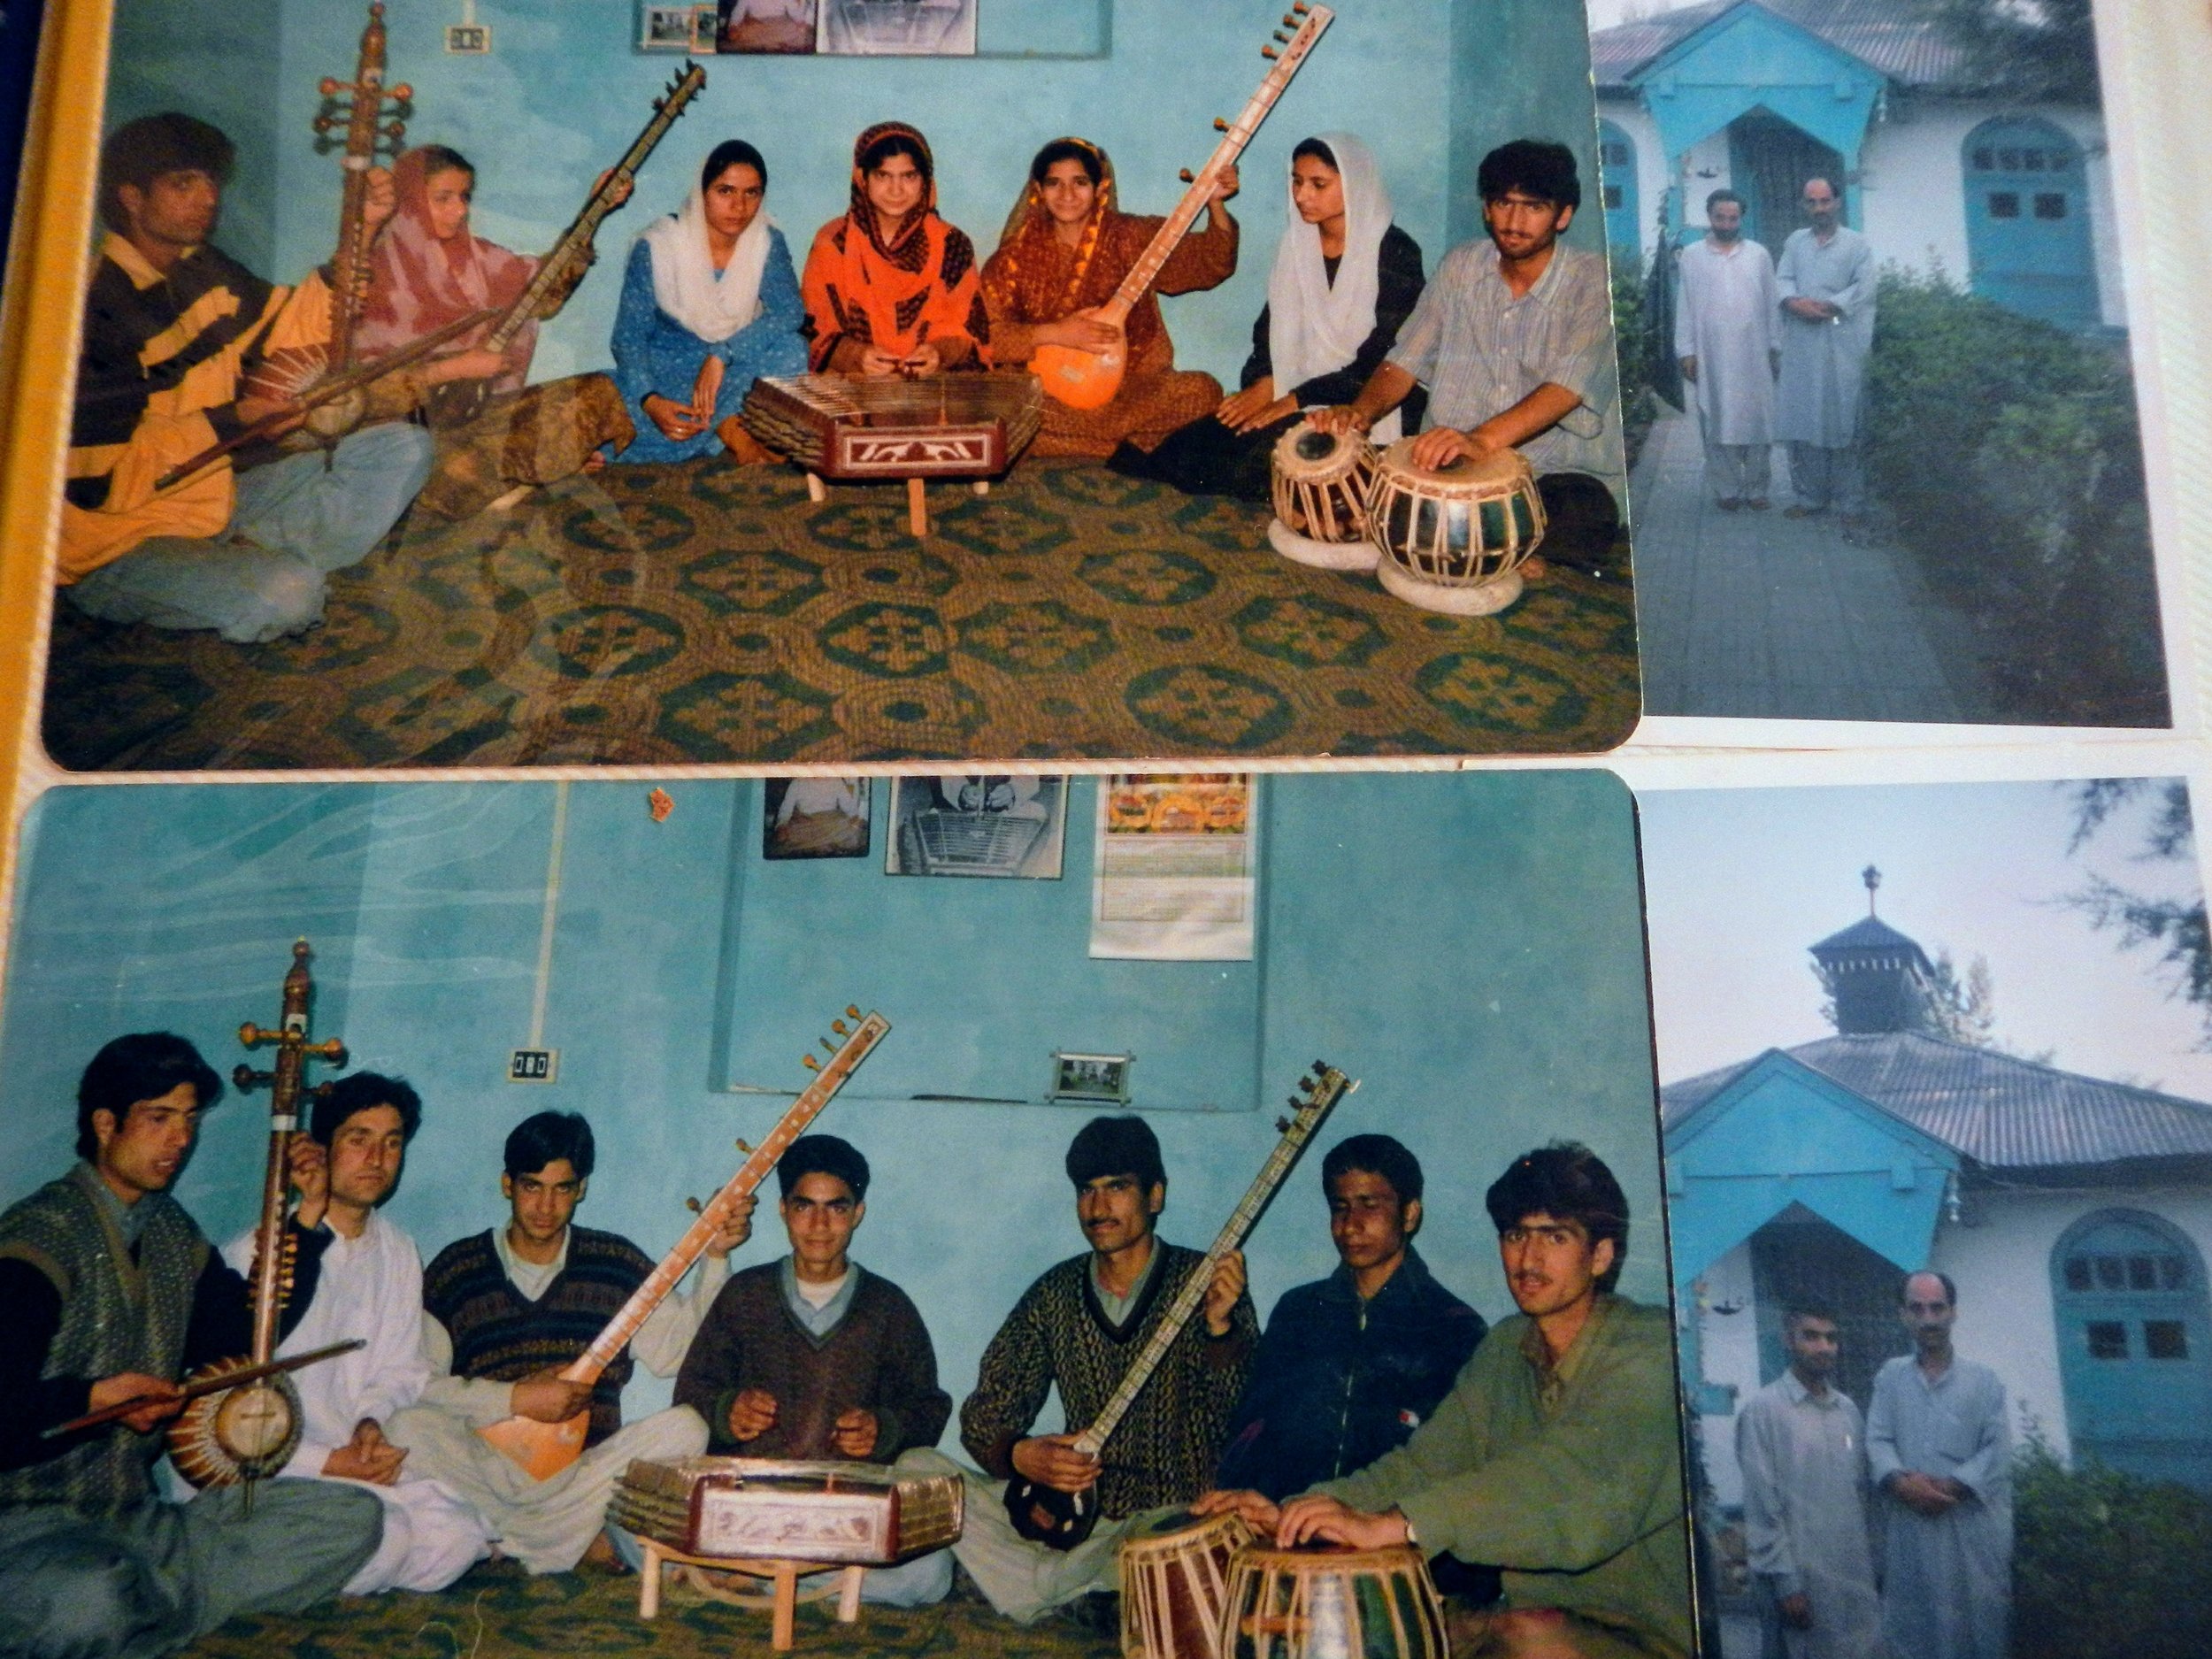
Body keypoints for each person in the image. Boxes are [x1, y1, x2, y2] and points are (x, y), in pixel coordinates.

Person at [1200, 1142, 1692, 1659]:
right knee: (1390, 1630)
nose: (1529, 1258)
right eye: (1515, 1235)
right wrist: (1300, 1513)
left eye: (1556, 1237)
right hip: (1527, 1618)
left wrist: (1400, 1524)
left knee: (1518, 1637)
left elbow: (1565, 1482)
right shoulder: (1506, 1347)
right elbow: (1425, 1464)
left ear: (1601, 1255)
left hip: (1644, 1635)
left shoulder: (1651, 1347)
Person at [0, 1034, 383, 1657]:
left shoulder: (172, 1229)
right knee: (89, 1595)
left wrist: (307, 1216)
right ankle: (146, 1604)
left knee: (352, 1518)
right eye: (159, 1118)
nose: (180, 1140)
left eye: (190, 1121)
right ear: (105, 1123)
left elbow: (241, 1338)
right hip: (30, 1524)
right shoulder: (39, 1237)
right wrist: (97, 1398)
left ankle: (142, 1608)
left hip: (137, 1521)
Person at [62, 113, 434, 642]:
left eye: (211, 182)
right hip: (118, 540)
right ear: (131, 197)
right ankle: (228, 573)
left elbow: (282, 330)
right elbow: (94, 480)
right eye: (183, 183)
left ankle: (243, 555)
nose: (208, 198)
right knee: (291, 596)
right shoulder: (94, 310)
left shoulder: (200, 266)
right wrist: (230, 420)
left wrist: (363, 230)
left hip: (216, 498)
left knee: (403, 447)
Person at [902, 1115, 1257, 1626]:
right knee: (919, 1469)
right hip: (1065, 1518)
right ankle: (1068, 1587)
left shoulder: (1208, 1284)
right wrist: (1022, 1456)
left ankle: (1053, 1585)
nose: (1098, 1206)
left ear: (1154, 1196)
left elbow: (1247, 1423)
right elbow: (984, 1413)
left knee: (1188, 1538)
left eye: (1118, 1187)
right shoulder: (1055, 1293)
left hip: (1158, 1520)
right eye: (1086, 1190)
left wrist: (1221, 1330)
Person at [386, 1110, 752, 1573]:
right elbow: (421, 1383)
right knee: (406, 1425)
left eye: (562, 1189)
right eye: (531, 1186)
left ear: (581, 1190)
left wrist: (716, 1257)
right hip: (489, 1467)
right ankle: (566, 1541)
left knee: (688, 1428)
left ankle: (506, 1538)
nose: (545, 1205)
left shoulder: (615, 1263)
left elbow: (677, 1354)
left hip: (585, 1470)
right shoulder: (458, 1269)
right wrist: (516, 1399)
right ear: (507, 1185)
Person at [219, 1072, 489, 1594]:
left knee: (458, 1533)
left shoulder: (397, 1250)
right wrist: (326, 1462)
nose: (377, 1158)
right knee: (385, 1540)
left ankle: (299, 1577)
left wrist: (370, 1422)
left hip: (353, 1462)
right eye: (358, 1139)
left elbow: (400, 1368)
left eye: (392, 1143)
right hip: (273, 1468)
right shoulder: (262, 1253)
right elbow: (229, 1414)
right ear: (320, 1151)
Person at [1311, 138, 1624, 572]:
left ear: (1563, 215)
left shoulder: (1592, 282)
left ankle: (1460, 538)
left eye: (1533, 207)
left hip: (1549, 472)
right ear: (1485, 209)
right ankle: (1489, 545)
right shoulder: (1461, 266)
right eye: (1502, 203)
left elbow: (1568, 388)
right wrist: (1360, 413)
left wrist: (1479, 441)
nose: (1514, 221)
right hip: (1447, 464)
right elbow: (1404, 359)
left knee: (1584, 512)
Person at [675, 1134, 952, 1606]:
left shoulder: (888, 1306)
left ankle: (755, 1578)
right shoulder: (746, 1293)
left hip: (844, 1508)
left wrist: (883, 1430)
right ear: (783, 1210)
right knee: (633, 1521)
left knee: (931, 1575)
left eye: (837, 1208)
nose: (820, 1225)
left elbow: (929, 1407)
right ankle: (797, 1580)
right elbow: (692, 1388)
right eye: (805, 1207)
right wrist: (728, 1410)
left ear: (858, 1213)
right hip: (753, 1496)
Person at [1114, 133, 1426, 502]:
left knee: (1252, 462)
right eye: (1296, 181)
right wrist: (1264, 383)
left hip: (1358, 401)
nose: (1301, 195)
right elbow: (1268, 332)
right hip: (1291, 387)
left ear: (1356, 183)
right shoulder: (1296, 245)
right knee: (1186, 447)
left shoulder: (1395, 251)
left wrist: (1294, 399)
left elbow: (1386, 356)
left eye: (1318, 184)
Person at [355, 144, 635, 518]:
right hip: (407, 435)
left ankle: (525, 472)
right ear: (409, 202)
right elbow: (367, 396)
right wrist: (456, 369)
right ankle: (524, 472)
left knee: (595, 392)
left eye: (464, 197)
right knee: (449, 466)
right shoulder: (375, 274)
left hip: (478, 419)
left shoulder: (475, 257)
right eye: (444, 199)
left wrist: (595, 209)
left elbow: (544, 294)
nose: (460, 210)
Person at [1215, 1135, 1486, 1501]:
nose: (1350, 1224)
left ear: (1410, 1214)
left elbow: (1454, 1466)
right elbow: (1250, 1433)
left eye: (1369, 1205)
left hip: (1391, 1540)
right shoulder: (1298, 1312)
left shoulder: (1453, 1328)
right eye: (1339, 1207)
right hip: (1284, 1532)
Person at [980, 135, 1238, 457]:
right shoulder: (1012, 258)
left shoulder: (1132, 236)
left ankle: (1071, 444)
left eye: (1080, 183)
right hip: (1049, 391)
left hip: (1130, 387)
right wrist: (1056, 333)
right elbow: (987, 336)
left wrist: (1215, 205)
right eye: (1054, 184)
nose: (1067, 195)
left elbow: (1208, 263)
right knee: (1000, 402)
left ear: (1100, 187)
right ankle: (1122, 448)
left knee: (1203, 392)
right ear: (1038, 191)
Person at [610, 139, 809, 465]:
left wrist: (722, 354)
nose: (739, 206)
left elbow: (790, 312)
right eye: (725, 191)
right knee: (614, 403)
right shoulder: (659, 246)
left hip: (731, 370)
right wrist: (650, 400)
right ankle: (733, 431)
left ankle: (730, 431)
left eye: (751, 193)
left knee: (792, 349)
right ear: (702, 192)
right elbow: (628, 338)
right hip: (670, 375)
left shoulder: (766, 241)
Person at [1867, 1271, 2010, 1659]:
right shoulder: (1891, 1377)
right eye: (1917, 1309)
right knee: (1912, 1628)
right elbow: (1877, 1439)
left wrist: (1951, 1487)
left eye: (1937, 1307)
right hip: (1909, 1528)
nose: (1928, 1319)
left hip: (1965, 1529)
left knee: (1973, 1628)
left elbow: (1997, 1451)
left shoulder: (1985, 1382)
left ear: (1953, 1312)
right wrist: (1901, 1482)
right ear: (1903, 1315)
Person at [1736, 1302, 1885, 1659]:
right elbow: (1762, 1505)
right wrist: (1787, 1585)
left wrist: (1875, 1570)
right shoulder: (1763, 1411)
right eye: (1812, 1336)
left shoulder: (1847, 1410)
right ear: (1789, 1340)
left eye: (1831, 1338)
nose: (1824, 1347)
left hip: (1853, 1579)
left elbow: (1862, 1496)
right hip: (1800, 1585)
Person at [800, 123, 989, 379]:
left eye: (909, 176)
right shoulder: (834, 243)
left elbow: (969, 330)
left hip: (935, 384)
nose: (896, 190)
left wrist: (938, 353)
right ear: (862, 179)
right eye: (883, 176)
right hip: (851, 385)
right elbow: (813, 328)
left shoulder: (952, 244)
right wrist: (855, 355)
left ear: (925, 181)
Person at [1773, 178, 1875, 540]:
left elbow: (1864, 289)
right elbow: (1782, 279)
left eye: (1825, 201)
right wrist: (1793, 302)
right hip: (1802, 343)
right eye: (1812, 202)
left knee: (1843, 420)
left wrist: (1831, 305)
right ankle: (1810, 497)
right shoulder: (1795, 242)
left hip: (1840, 345)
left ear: (1837, 202)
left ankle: (1850, 505)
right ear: (1804, 205)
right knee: (1804, 422)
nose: (1819, 208)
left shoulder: (1857, 244)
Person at [1673, 188, 1778, 512]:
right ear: (1710, 216)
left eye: (1733, 218)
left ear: (1741, 218)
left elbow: (1772, 305)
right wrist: (1687, 351)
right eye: (1721, 217)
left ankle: (1758, 488)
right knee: (1716, 417)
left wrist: (1775, 346)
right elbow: (1685, 306)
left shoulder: (1758, 255)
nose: (1727, 223)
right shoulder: (1691, 255)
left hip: (1754, 353)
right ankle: (1727, 488)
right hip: (1712, 354)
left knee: (1758, 420)